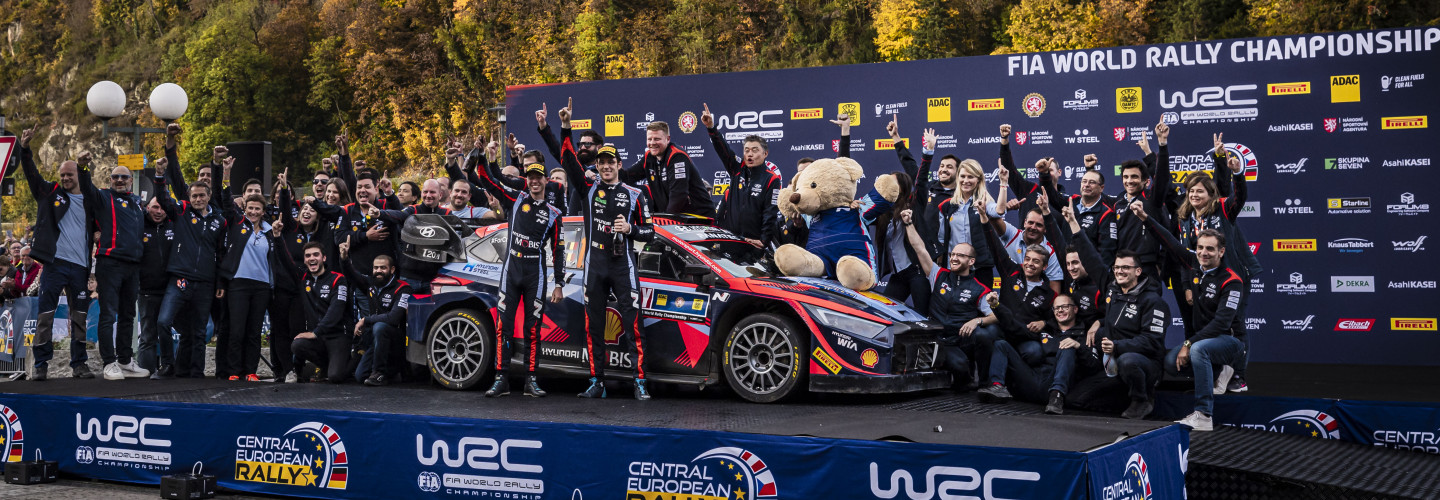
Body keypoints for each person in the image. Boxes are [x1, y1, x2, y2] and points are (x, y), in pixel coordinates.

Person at [557, 112, 655, 399]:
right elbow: (566, 158)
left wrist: (630, 229)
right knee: (593, 326)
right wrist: (565, 127)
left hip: (622, 266)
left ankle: (639, 381)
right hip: (594, 266)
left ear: (619, 165)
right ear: (597, 166)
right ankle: (596, 381)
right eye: (602, 163)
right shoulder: (588, 187)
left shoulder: (637, 194)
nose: (607, 167)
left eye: (611, 162)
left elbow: (651, 233)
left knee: (632, 324)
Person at [1136, 202, 1246, 432]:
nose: (1204, 253)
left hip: (1230, 341)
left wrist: (1188, 343)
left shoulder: (1232, 281)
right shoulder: (1195, 263)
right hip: (1204, 340)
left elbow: (1222, 323)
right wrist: (1145, 217)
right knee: (1170, 362)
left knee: (1197, 350)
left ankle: (1204, 414)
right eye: (1201, 248)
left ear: (1221, 252)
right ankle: (1218, 370)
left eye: (1210, 249)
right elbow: (1170, 241)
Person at [473, 159, 565, 398]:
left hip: (536, 271)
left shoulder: (554, 213)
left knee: (532, 329)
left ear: (546, 181)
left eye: (538, 177)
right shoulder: (516, 198)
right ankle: (501, 378)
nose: (534, 181)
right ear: (527, 180)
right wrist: (483, 157)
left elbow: (558, 250)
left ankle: (531, 380)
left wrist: (559, 283)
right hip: (511, 269)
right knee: (504, 325)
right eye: (531, 177)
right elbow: (488, 181)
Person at [18, 127, 96, 380]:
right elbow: (32, 176)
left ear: (78, 175)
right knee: (45, 316)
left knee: (79, 317)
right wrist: (25, 150)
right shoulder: (51, 193)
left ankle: (79, 364)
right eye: (62, 174)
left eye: (69, 174)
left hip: (81, 267)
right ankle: (41, 365)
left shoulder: (91, 200)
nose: (65, 178)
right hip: (54, 264)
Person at [899, 208, 998, 390]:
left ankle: (984, 382)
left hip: (961, 340)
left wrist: (977, 320)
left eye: (960, 255)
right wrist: (908, 223)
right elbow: (919, 249)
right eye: (953, 254)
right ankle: (958, 373)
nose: (954, 258)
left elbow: (995, 315)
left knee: (981, 339)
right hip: (940, 339)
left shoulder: (979, 288)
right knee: (957, 369)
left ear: (971, 262)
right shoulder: (938, 275)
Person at [152, 156, 229, 379]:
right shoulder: (182, 211)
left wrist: (220, 281)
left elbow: (222, 254)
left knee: (198, 331)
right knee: (163, 321)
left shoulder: (220, 221)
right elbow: (164, 199)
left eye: (201, 195)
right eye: (193, 195)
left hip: (205, 281)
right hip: (179, 278)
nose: (197, 199)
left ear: (209, 196)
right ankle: (167, 364)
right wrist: (159, 175)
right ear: (189, 197)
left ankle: (196, 373)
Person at [79, 148, 150, 380]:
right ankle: (109, 363)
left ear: (131, 181)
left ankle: (126, 361)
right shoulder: (103, 197)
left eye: (124, 177)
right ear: (110, 180)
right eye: (115, 177)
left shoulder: (138, 202)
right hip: (109, 263)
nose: (119, 180)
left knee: (129, 315)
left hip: (133, 265)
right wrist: (83, 168)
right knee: (108, 314)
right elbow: (87, 189)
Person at [216, 190, 286, 382]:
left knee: (254, 332)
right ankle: (234, 370)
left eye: (257, 209)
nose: (253, 212)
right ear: (244, 209)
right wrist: (226, 173)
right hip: (238, 283)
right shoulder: (237, 224)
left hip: (262, 286)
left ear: (263, 211)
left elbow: (277, 256)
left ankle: (250, 371)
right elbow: (225, 200)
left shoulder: (269, 231)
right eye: (250, 208)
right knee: (236, 330)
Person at [1096, 249, 1168, 419]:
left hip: (1147, 364)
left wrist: (1117, 346)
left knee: (1128, 361)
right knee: (1077, 398)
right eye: (1116, 267)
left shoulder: (1153, 301)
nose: (1120, 271)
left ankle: (1142, 400)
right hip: (1116, 361)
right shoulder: (1113, 292)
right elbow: (1093, 262)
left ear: (1138, 271)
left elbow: (1152, 342)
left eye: (1125, 267)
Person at [701, 104, 781, 247]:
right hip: (730, 240)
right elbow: (723, 150)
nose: (750, 154)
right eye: (747, 150)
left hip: (754, 243)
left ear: (765, 154)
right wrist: (711, 128)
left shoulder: (771, 179)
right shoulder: (737, 169)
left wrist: (764, 240)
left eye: (755, 150)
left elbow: (771, 213)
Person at [873, 119, 928, 311]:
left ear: (903, 187)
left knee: (923, 316)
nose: (888, 186)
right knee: (886, 313)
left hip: (918, 271)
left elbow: (916, 173)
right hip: (899, 274)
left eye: (893, 183)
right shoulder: (883, 211)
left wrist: (896, 138)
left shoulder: (914, 205)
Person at [342, 249, 410, 387]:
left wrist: (365, 320)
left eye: (383, 268)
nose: (378, 271)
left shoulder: (404, 288)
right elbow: (351, 275)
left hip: (397, 341)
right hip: (376, 340)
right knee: (360, 376)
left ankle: (379, 373)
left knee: (380, 326)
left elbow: (394, 318)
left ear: (392, 269)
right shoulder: (370, 284)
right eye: (376, 268)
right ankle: (392, 372)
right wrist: (344, 259)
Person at [289, 243, 352, 383]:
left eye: (315, 255)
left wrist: (316, 332)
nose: (312, 258)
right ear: (304, 260)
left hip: (338, 336)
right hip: (318, 338)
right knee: (297, 345)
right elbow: (286, 260)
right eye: (308, 256)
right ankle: (324, 366)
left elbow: (336, 310)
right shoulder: (303, 278)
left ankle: (351, 362)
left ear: (323, 258)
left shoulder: (338, 279)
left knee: (336, 377)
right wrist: (277, 237)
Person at [626, 121, 716, 218]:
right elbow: (627, 177)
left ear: (667, 139)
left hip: (700, 218)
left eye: (657, 139)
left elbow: (678, 195)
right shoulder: (649, 157)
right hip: (679, 219)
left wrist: (665, 219)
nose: (652, 143)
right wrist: (612, 166)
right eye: (649, 139)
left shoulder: (677, 156)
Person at [937, 157, 1003, 285]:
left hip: (980, 267)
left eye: (970, 177)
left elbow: (999, 211)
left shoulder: (984, 202)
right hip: (954, 268)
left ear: (978, 180)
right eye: (962, 176)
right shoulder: (947, 206)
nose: (966, 181)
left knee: (982, 304)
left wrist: (1003, 183)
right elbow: (942, 239)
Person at [137, 198, 175, 379]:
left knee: (172, 329)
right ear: (147, 208)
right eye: (155, 207)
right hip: (146, 289)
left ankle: (170, 367)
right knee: (147, 335)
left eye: (162, 208)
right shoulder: (139, 225)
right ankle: (146, 374)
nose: (159, 211)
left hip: (171, 290)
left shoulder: (175, 224)